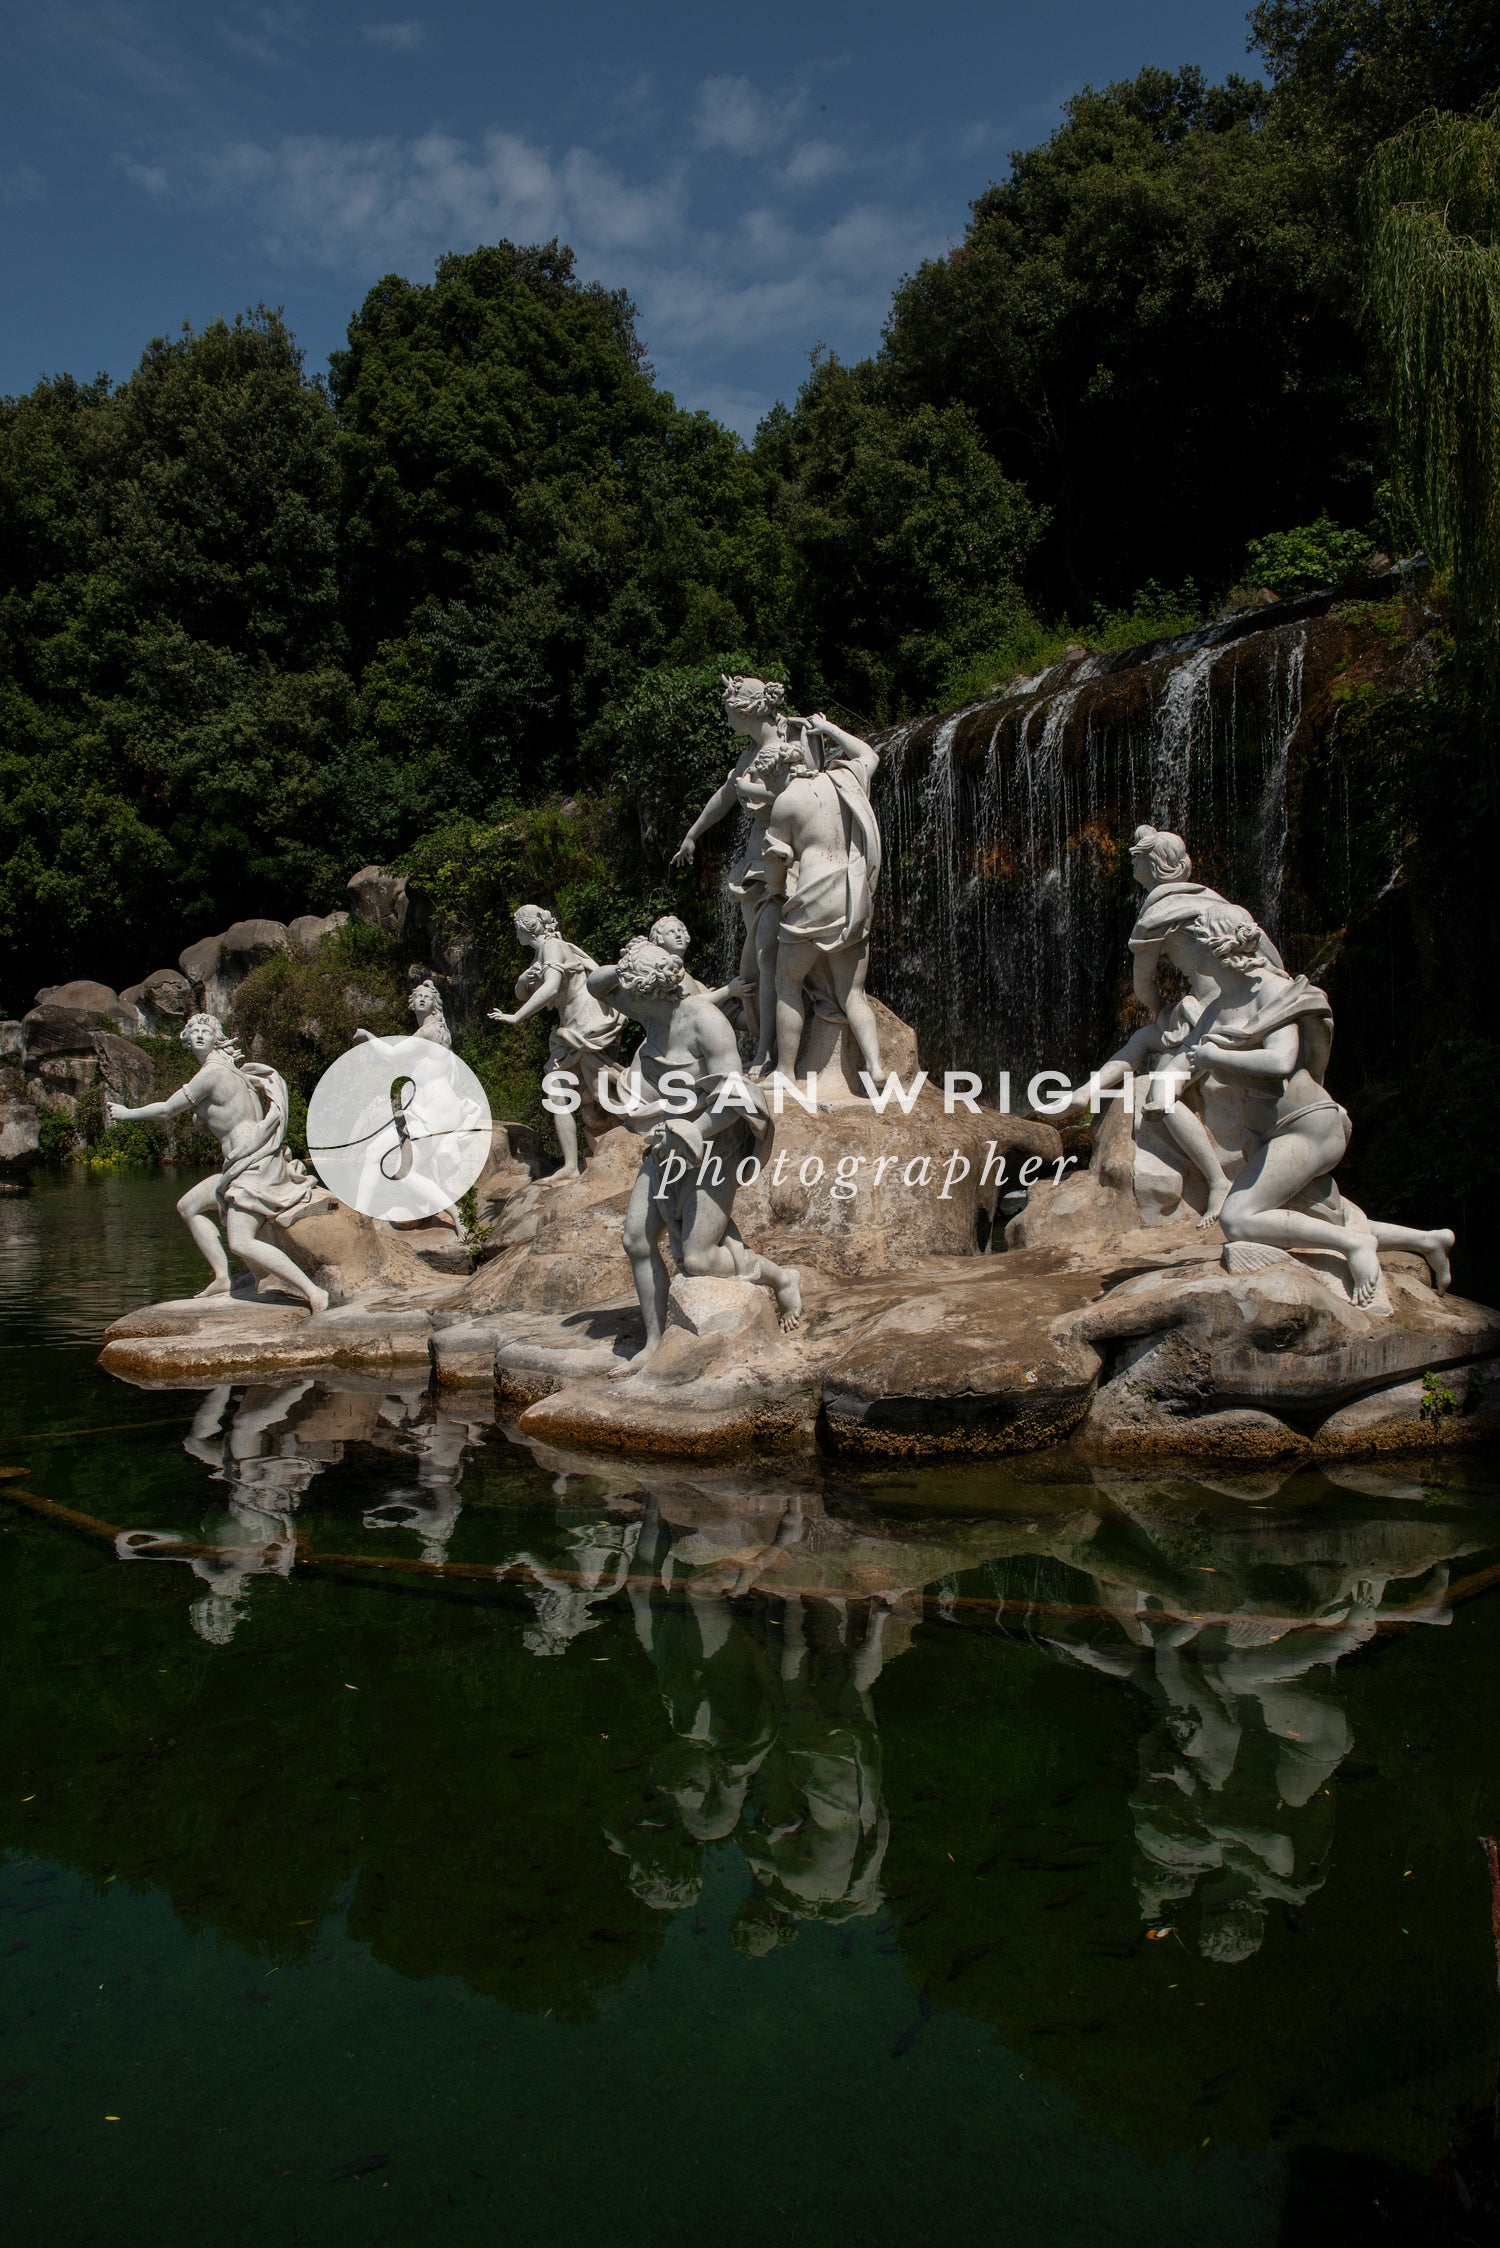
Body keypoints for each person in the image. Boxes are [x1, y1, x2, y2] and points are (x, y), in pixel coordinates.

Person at [1173, 905, 1454, 1303]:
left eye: (1194, 947)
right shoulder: (1217, 1008)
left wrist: (1214, 1057)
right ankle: (1428, 1240)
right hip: (1270, 1135)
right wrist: (1162, 1088)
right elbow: (1185, 1060)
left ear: (1215, 949)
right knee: (1312, 1217)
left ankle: (1353, 1246)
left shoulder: (1272, 992)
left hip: (1307, 1125)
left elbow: (1280, 1061)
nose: (1188, 957)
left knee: (1238, 1217)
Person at [588, 938, 802, 1363]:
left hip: (715, 1145)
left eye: (628, 991)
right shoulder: (647, 1008)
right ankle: (653, 1343)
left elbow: (737, 1096)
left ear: (646, 992)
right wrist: (632, 961)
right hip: (668, 1144)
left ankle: (781, 1278)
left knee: (699, 1259)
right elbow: (597, 984)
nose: (620, 1002)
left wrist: (693, 1131)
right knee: (637, 1239)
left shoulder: (706, 1022)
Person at [109, 1013, 329, 1312]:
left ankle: (313, 1291)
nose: (199, 1035)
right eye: (194, 1030)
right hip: (238, 1163)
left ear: (217, 1038)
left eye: (206, 1030)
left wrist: (127, 1113)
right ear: (186, 1039)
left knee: (239, 1241)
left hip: (252, 1163)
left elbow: (166, 1110)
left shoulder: (212, 1073)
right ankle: (223, 1278)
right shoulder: (231, 1070)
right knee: (189, 1206)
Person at [671, 676, 816, 1070]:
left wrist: (761, 796)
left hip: (782, 862)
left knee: (769, 957)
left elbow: (807, 799)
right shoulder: (751, 751)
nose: (726, 719)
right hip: (753, 868)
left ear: (746, 708)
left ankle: (769, 1052)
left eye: (728, 711)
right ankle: (764, 1043)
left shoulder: (791, 744)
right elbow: (726, 794)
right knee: (755, 962)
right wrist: (693, 834)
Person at [760, 712, 885, 1084]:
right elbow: (869, 755)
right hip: (852, 895)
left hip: (812, 897)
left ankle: (784, 1070)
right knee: (853, 992)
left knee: (787, 984)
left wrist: (773, 888)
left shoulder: (786, 802)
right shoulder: (847, 779)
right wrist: (830, 728)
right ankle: (876, 1067)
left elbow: (776, 866)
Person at [488, 905, 626, 1179]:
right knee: (561, 1089)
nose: (515, 930)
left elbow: (550, 988)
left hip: (584, 1026)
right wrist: (520, 981)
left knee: (601, 1089)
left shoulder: (552, 947)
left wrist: (517, 1017)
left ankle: (642, 1123)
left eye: (516, 925)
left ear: (525, 927)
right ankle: (571, 1166)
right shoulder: (544, 951)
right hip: (573, 1026)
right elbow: (524, 991)